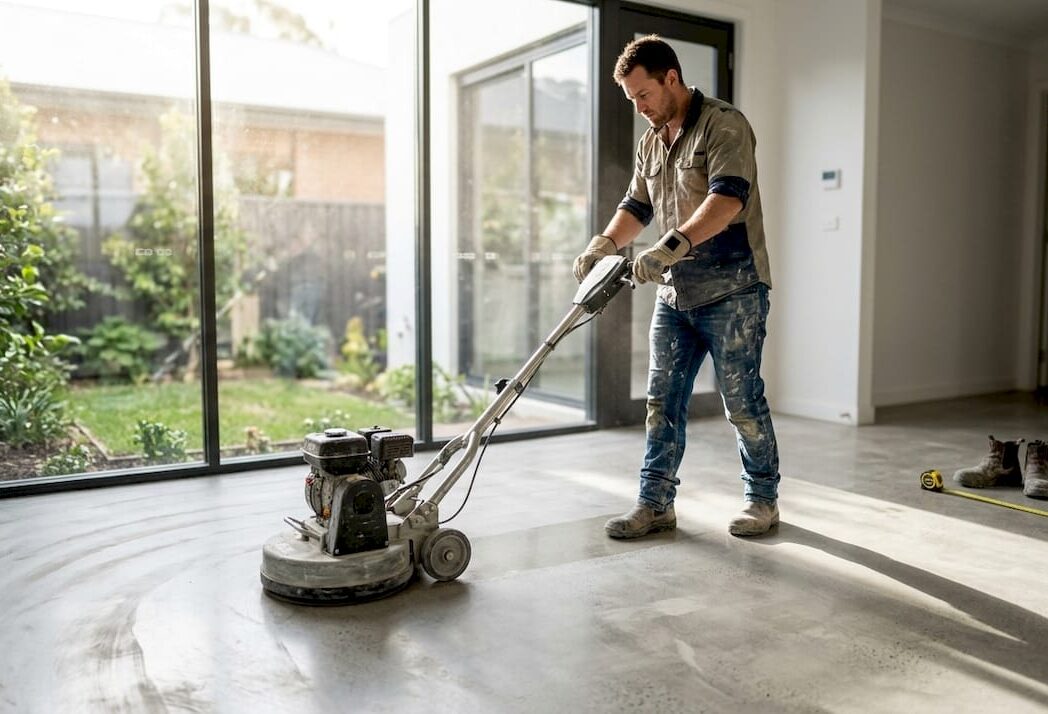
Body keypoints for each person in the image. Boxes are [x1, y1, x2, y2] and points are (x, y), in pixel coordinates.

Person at [573, 34, 780, 538]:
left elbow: (728, 199)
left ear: (671, 78)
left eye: (643, 95)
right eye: (632, 100)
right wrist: (604, 243)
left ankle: (762, 499)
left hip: (734, 290)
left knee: (741, 403)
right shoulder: (652, 140)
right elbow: (636, 206)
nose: (639, 108)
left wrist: (671, 245)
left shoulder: (724, 125)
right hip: (675, 295)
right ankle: (655, 503)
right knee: (662, 401)